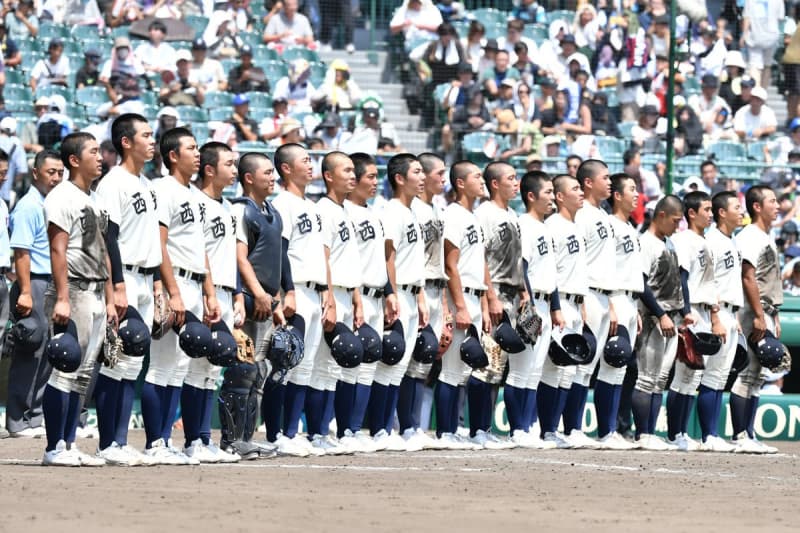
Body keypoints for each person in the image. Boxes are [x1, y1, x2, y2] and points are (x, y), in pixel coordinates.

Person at [141, 127, 220, 464]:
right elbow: (160, 244)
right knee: (161, 366)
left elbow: (199, 248)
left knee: (180, 366)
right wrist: (171, 292)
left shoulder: (196, 197)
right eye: (191, 147)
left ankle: (166, 440)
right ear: (173, 155)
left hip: (193, 283)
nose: (197, 152)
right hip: (172, 284)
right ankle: (154, 442)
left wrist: (209, 292)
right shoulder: (163, 189)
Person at [92, 113, 160, 467]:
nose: (153, 140)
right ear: (126, 142)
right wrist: (116, 285)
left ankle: (119, 441)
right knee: (117, 361)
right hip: (126, 278)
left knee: (133, 364)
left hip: (147, 278)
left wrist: (160, 285)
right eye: (146, 135)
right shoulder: (113, 182)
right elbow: (108, 237)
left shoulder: (146, 184)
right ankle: (109, 443)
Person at [40, 132, 111, 467]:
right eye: (93, 152)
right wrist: (63, 297)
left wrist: (110, 297)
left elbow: (103, 251)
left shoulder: (93, 198)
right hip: (75, 290)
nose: (100, 157)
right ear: (73, 160)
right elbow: (58, 248)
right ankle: (54, 447)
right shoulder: (62, 196)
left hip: (96, 290)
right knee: (65, 370)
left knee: (83, 375)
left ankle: (69, 444)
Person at [226, 152, 300, 457]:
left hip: (267, 300)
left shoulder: (272, 211)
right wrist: (256, 294)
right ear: (249, 178)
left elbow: (278, 260)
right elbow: (240, 257)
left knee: (258, 372)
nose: (273, 177)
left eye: (273, 173)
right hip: (250, 298)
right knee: (243, 371)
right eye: (267, 173)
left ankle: (247, 437)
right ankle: (232, 440)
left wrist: (278, 301)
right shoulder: (241, 211)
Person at [182, 142, 242, 463]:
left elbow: (231, 256)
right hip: (202, 290)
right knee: (195, 368)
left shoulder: (229, 207)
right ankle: (193, 440)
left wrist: (236, 296)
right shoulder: (195, 202)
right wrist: (207, 293)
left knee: (211, 371)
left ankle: (204, 439)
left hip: (225, 292)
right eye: (229, 164)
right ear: (209, 169)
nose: (234, 170)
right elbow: (199, 252)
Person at [271, 143, 330, 454]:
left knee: (304, 367)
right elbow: (279, 251)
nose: (311, 165)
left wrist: (326, 294)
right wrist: (285, 292)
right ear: (286, 168)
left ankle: (292, 433)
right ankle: (277, 434)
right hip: (295, 290)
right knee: (287, 364)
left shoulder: (314, 206)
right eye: (305, 160)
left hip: (314, 290)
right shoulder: (283, 203)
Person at [435, 160, 494, 449]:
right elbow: (450, 265)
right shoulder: (454, 215)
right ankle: (445, 431)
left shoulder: (473, 216)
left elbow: (479, 263)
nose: (482, 181)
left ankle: (457, 429)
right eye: (477, 176)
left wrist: (483, 304)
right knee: (452, 369)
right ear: (460, 183)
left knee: (466, 370)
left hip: (475, 295)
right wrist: (459, 306)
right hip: (460, 297)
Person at [370, 154, 426, 450]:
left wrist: (421, 297)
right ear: (399, 178)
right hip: (397, 292)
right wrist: (391, 292)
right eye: (416, 172)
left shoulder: (413, 211)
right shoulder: (391, 210)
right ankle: (379, 428)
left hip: (412, 291)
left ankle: (388, 428)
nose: (423, 177)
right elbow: (387, 255)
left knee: (400, 365)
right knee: (389, 362)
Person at [5, 150, 62, 438]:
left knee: (48, 353)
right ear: (36, 172)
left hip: (52, 282)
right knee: (31, 349)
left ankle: (35, 417)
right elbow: (22, 253)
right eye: (51, 172)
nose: (56, 177)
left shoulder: (51, 203)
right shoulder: (29, 206)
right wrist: (25, 291)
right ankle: (17, 419)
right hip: (35, 282)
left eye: (60, 173)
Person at [339, 152, 393, 451]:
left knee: (369, 366)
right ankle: (345, 429)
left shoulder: (375, 213)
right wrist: (357, 297)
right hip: (353, 296)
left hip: (375, 295)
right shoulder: (344, 212)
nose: (375, 182)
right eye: (369, 176)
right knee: (349, 365)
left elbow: (381, 261)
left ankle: (356, 429)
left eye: (376, 176)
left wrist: (389, 294)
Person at [563, 160, 615, 449]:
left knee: (588, 368)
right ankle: (570, 428)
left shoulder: (602, 214)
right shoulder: (581, 216)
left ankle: (574, 427)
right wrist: (582, 298)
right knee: (579, 365)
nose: (609, 182)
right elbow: (578, 262)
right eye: (604, 178)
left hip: (605, 295)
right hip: (589, 294)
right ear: (588, 182)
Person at [469, 161, 522, 449]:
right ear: (494, 184)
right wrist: (491, 297)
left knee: (499, 367)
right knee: (487, 365)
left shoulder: (513, 214)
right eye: (510, 178)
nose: (516, 183)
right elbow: (481, 258)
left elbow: (516, 260)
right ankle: (477, 429)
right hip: (496, 293)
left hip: (512, 294)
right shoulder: (485, 214)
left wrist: (524, 292)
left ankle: (485, 428)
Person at [315, 152, 365, 454]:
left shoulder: (345, 210)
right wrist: (330, 297)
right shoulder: (324, 209)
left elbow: (349, 260)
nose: (353, 176)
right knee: (320, 365)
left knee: (334, 368)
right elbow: (324, 257)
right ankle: (315, 432)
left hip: (348, 295)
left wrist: (356, 299)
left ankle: (325, 431)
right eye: (346, 170)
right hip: (331, 295)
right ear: (328, 176)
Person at [633, 195, 691, 451]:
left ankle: (651, 431)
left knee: (659, 380)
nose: (678, 226)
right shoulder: (646, 243)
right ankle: (642, 433)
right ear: (662, 215)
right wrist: (660, 314)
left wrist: (681, 313)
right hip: (651, 318)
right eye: (676, 220)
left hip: (670, 318)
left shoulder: (668, 244)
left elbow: (677, 283)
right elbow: (642, 284)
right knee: (646, 378)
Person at [536, 174, 587, 449]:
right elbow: (550, 271)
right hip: (559, 302)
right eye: (575, 189)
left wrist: (584, 306)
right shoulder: (552, 226)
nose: (580, 193)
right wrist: (556, 307)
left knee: (568, 372)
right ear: (559, 196)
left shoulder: (576, 226)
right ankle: (543, 428)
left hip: (577, 302)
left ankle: (553, 429)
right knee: (551, 368)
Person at [593, 173, 643, 449]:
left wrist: (633, 308)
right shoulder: (610, 225)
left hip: (630, 300)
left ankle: (614, 429)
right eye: (631, 190)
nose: (636, 195)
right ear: (617, 195)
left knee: (621, 369)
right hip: (614, 298)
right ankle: (606, 430)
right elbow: (607, 268)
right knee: (609, 365)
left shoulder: (631, 227)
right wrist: (613, 301)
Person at [730, 184, 781, 454]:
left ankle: (748, 433)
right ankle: (740, 435)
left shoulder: (765, 235)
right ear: (757, 206)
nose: (778, 205)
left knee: (759, 375)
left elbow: (768, 280)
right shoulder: (750, 236)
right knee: (748, 373)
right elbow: (747, 276)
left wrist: (775, 314)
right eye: (772, 201)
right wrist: (760, 316)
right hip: (753, 311)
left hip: (766, 310)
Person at [401, 153, 447, 447]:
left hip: (435, 289)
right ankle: (404, 426)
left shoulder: (436, 208)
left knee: (425, 361)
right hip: (416, 289)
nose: (443, 178)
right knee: (407, 360)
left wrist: (443, 304)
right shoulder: (413, 209)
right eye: (438, 173)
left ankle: (415, 426)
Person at [666, 191, 716, 452]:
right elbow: (682, 278)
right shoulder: (683, 239)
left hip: (706, 310)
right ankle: (675, 434)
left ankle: (682, 431)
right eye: (706, 209)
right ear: (692, 213)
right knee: (683, 374)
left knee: (693, 378)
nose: (711, 213)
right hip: (692, 310)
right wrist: (685, 311)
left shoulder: (704, 240)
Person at [696, 191, 743, 453]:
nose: (741, 211)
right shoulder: (712, 241)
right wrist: (716, 317)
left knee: (721, 376)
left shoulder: (731, 240)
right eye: (737, 207)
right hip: (716, 311)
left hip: (729, 312)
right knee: (712, 375)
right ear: (721, 212)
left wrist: (734, 317)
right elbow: (709, 282)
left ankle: (712, 434)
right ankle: (708, 435)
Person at [513, 171, 557, 448]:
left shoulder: (544, 226)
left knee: (535, 369)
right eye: (548, 193)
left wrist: (554, 307)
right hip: (529, 302)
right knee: (521, 369)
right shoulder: (525, 225)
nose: (553, 198)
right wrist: (526, 301)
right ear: (531, 196)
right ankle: (518, 428)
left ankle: (528, 426)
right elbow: (521, 266)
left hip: (544, 300)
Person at [741, 0, 784, 89]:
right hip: (772, 36)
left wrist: (744, 35)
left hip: (755, 36)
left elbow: (747, 17)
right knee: (767, 65)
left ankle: (755, 92)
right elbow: (780, 18)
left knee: (755, 65)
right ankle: (763, 94)